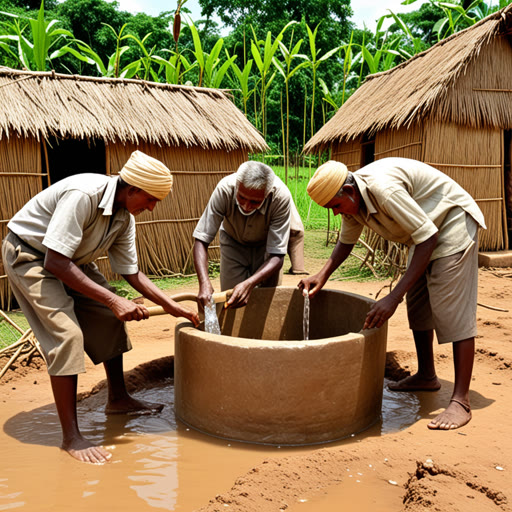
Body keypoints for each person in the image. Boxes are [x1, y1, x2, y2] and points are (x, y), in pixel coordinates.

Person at [2, 150, 199, 464]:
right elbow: (54, 261)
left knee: (108, 319)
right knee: (67, 336)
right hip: (32, 256)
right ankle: (72, 438)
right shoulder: (83, 195)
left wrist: (174, 306)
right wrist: (112, 299)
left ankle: (118, 399)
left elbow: (131, 273)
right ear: (132, 188)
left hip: (70, 261)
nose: (151, 208)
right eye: (150, 200)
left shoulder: (123, 217)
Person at [300, 157, 486, 431]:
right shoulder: (353, 204)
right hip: (423, 234)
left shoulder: (383, 190)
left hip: (450, 224)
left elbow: (430, 237)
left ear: (349, 191)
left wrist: (393, 297)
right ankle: (426, 375)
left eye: (336, 206)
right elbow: (346, 241)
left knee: (451, 311)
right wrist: (322, 274)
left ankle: (461, 400)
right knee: (418, 305)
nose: (337, 214)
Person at [193, 161, 293, 309]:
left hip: (266, 250)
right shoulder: (224, 189)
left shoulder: (281, 197)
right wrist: (204, 283)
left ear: (267, 194)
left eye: (255, 202)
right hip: (232, 243)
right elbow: (201, 239)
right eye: (241, 197)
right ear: (237, 185)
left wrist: (249, 284)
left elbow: (276, 255)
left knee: (266, 304)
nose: (246, 206)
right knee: (232, 300)